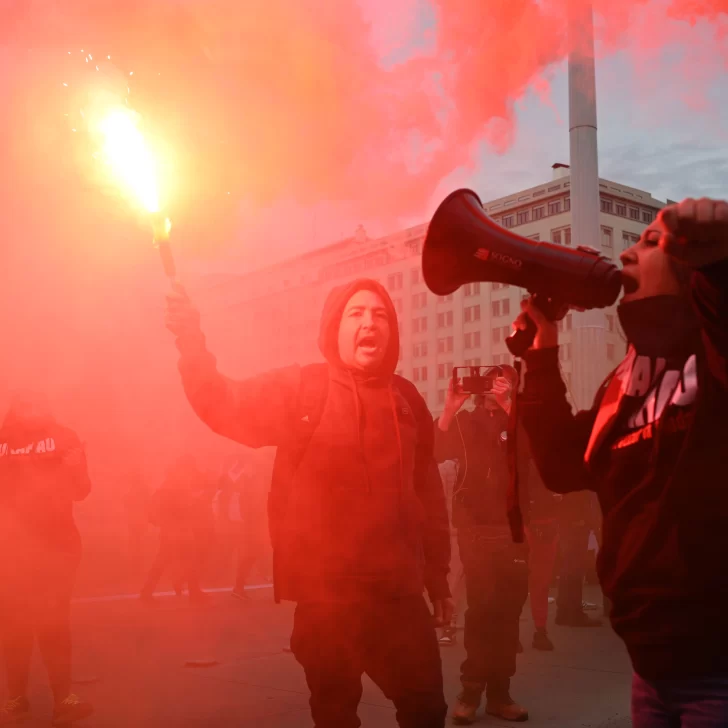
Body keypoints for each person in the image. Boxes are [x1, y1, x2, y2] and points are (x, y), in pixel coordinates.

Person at [165, 277, 452, 728]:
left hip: (398, 596)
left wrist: (439, 579)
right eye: (355, 313)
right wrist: (190, 339)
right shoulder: (301, 388)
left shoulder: (407, 399)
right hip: (327, 599)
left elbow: (428, 496)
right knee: (335, 714)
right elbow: (221, 402)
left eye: (380, 315)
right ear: (334, 328)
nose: (369, 322)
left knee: (426, 711)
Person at [513, 197, 728, 727]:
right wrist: (543, 353)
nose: (627, 253)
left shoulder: (714, 349)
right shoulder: (624, 380)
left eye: (650, 242)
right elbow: (564, 466)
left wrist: (714, 249)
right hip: (650, 670)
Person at [434, 370, 530, 724]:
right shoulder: (465, 421)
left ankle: (500, 694)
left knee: (507, 615)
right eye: (491, 380)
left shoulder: (521, 420)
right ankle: (471, 690)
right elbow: (435, 450)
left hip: (515, 532)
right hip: (476, 530)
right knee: (481, 612)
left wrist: (510, 406)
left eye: (504, 381)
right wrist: (449, 408)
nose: (494, 386)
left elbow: (536, 455)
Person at [0, 391, 93, 726]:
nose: (31, 410)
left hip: (53, 545)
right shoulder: (4, 439)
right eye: (25, 404)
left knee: (47, 622)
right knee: (18, 625)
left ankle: (59, 700)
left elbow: (81, 489)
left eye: (37, 403)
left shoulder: (63, 437)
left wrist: (75, 468)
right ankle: (18, 699)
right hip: (16, 548)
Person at [140, 455, 208, 605]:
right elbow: (179, 507)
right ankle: (192, 593)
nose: (192, 472)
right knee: (187, 561)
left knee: (165, 561)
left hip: (173, 531)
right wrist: (194, 502)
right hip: (177, 531)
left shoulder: (172, 482)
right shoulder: (176, 483)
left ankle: (147, 592)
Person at [524, 469, 562, 651]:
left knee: (539, 582)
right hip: (532, 524)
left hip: (542, 524)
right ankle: (539, 630)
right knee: (537, 582)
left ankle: (539, 630)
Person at [554, 491, 602, 628]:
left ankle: (563, 611)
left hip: (569, 518)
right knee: (575, 566)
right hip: (576, 518)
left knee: (568, 565)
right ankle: (574, 613)